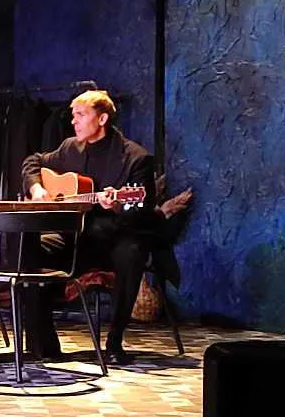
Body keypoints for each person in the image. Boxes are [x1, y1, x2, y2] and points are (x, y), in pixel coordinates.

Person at [19, 90, 185, 365]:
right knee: (30, 246)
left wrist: (119, 206)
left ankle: (114, 342)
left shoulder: (135, 158)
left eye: (80, 115)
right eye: (73, 115)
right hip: (77, 238)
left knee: (131, 252)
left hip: (115, 238)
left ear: (102, 119)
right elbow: (32, 162)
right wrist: (36, 188)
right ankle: (42, 345)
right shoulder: (70, 148)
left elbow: (143, 210)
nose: (74, 121)